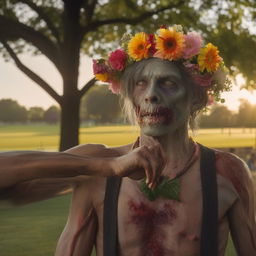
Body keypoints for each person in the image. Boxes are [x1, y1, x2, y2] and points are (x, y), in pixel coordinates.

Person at [1, 25, 256, 256]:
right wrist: (107, 168)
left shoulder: (226, 172)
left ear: (196, 100)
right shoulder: (97, 166)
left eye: (168, 83)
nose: (151, 95)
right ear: (131, 98)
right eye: (141, 84)